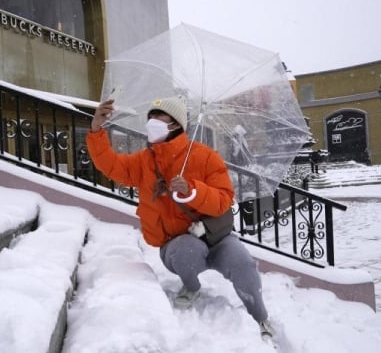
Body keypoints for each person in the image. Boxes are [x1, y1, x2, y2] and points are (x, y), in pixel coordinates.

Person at [86, 95, 274, 338]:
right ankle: (192, 286)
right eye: (150, 117)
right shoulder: (145, 161)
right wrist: (96, 129)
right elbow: (111, 165)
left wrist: (192, 191)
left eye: (157, 117)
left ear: (174, 124)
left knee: (243, 265)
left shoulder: (205, 157)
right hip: (177, 242)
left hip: (214, 235)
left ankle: (260, 317)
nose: (151, 121)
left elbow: (223, 200)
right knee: (188, 251)